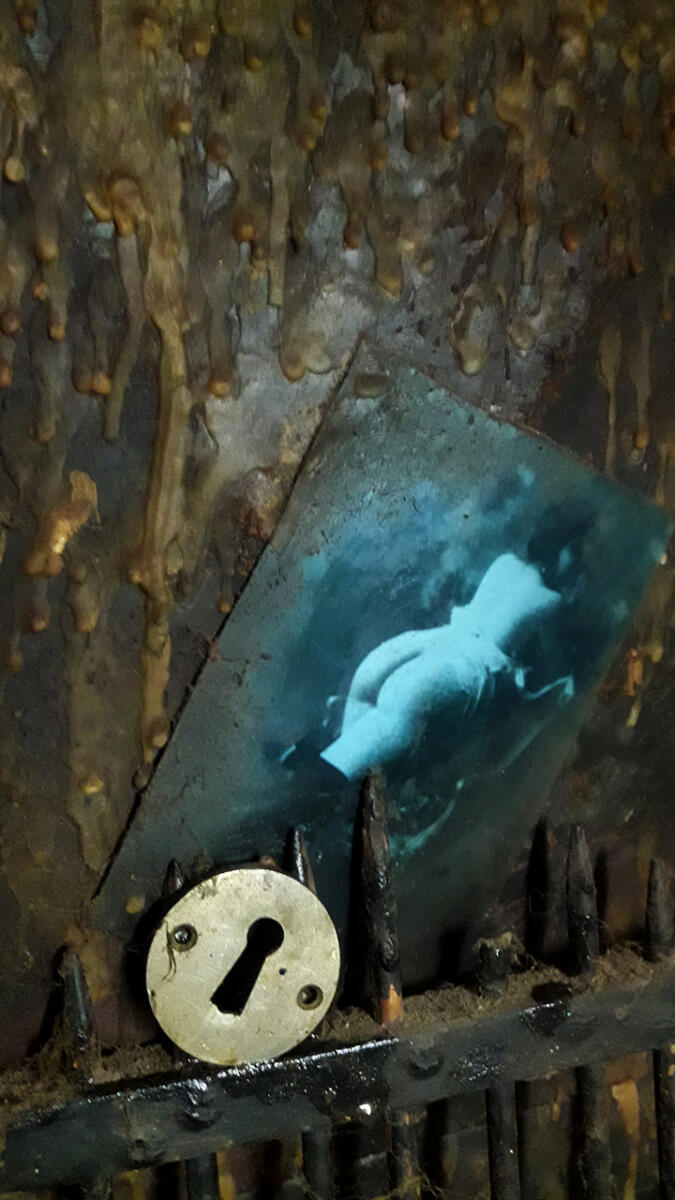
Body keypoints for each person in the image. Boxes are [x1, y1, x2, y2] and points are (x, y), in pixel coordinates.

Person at [320, 552, 574, 783]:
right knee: (389, 726)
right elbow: (553, 663)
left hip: (438, 641)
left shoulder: (505, 561)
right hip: (465, 661)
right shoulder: (551, 599)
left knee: (361, 718)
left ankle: (327, 777)